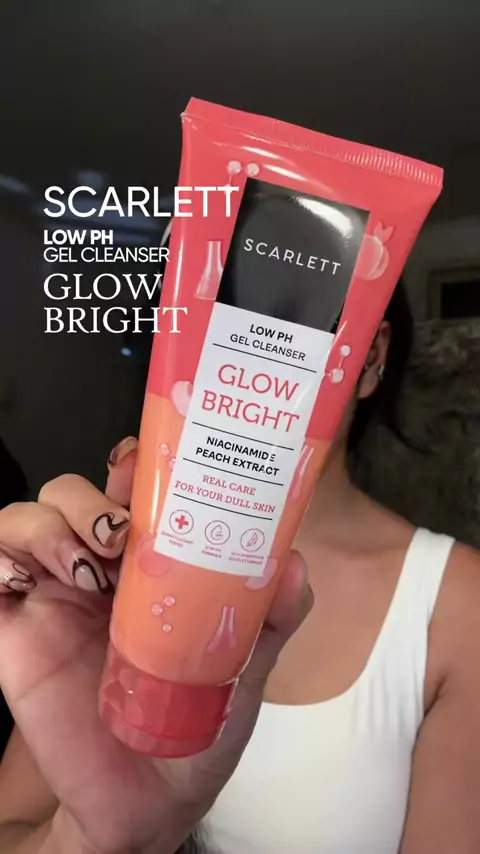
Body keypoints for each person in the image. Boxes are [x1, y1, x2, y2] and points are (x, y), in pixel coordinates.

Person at [1, 280, 480, 853]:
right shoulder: (119, 582)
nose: (238, 348)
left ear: (370, 355)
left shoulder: (458, 604)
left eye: (282, 317)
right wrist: (98, 841)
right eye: (203, 313)